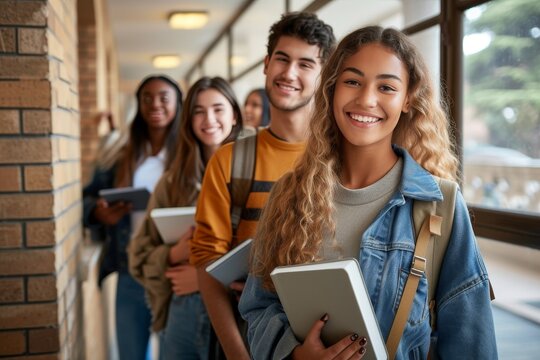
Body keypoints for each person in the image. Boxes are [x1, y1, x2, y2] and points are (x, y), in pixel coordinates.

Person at [238, 26, 498, 360]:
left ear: (408, 99)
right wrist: (295, 355)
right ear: (332, 89)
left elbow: (471, 341)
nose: (366, 99)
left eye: (386, 86)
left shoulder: (440, 205)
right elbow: (258, 307)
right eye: (352, 81)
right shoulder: (289, 195)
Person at [189, 12, 336, 360]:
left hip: (332, 335)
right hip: (252, 334)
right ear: (267, 64)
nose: (289, 73)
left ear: (323, 74)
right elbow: (207, 268)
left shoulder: (341, 158)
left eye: (305, 64)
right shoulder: (229, 161)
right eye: (282, 60)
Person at [128, 76, 243, 360]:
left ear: (234, 116)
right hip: (182, 318)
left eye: (218, 109)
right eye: (199, 111)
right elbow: (137, 257)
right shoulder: (171, 183)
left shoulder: (254, 175)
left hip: (241, 317)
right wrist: (173, 253)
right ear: (188, 120)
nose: (209, 119)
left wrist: (205, 279)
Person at [83, 74, 183, 360]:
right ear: (138, 105)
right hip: (131, 267)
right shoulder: (122, 154)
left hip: (172, 266)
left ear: (178, 104)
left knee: (173, 353)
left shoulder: (189, 155)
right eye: (147, 98)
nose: (155, 104)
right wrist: (100, 213)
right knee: (131, 354)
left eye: (164, 97)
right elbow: (88, 198)